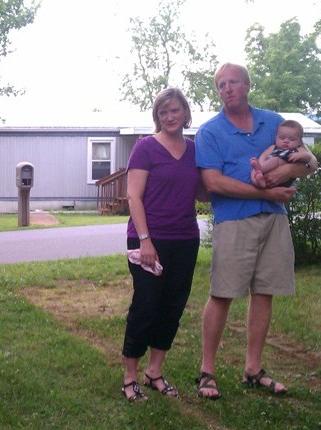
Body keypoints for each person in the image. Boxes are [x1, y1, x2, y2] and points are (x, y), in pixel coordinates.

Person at [194, 63, 318, 400]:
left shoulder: (273, 122)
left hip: (274, 219)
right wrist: (264, 192)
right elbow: (213, 183)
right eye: (221, 84)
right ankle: (207, 372)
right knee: (222, 293)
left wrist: (284, 174)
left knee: (265, 292)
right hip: (234, 220)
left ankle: (253, 369)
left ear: (248, 85)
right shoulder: (210, 132)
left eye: (233, 82)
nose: (227, 89)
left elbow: (309, 160)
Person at [121, 87, 208, 402]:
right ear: (157, 117)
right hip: (148, 239)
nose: (170, 117)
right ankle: (130, 377)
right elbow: (134, 196)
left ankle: (154, 372)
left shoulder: (195, 150)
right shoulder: (145, 147)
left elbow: (203, 193)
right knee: (146, 306)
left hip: (185, 239)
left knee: (172, 307)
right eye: (163, 112)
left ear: (185, 112)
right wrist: (146, 241)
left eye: (175, 110)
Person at [250, 119, 314, 188]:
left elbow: (308, 157)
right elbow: (264, 155)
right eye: (282, 138)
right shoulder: (273, 147)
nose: (286, 141)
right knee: (253, 171)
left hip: (283, 176)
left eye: (292, 139)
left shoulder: (298, 149)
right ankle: (260, 183)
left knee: (275, 160)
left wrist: (300, 155)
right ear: (276, 138)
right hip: (266, 170)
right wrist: (261, 164)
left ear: (300, 142)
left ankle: (260, 171)